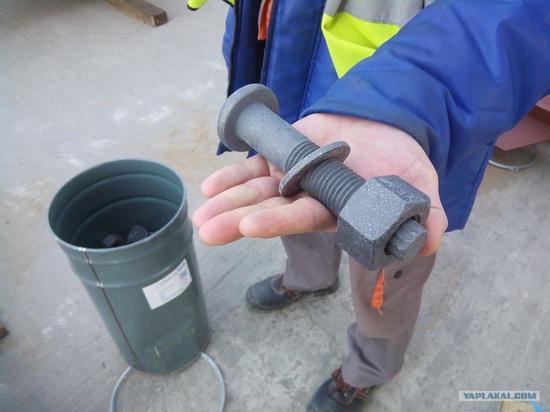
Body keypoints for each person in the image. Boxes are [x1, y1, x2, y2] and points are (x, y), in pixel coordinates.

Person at [191, 0, 550, 410]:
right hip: (290, 77)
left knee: (385, 279)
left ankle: (369, 368)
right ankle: (308, 277)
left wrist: (411, 101)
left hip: (418, 123)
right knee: (293, 212)